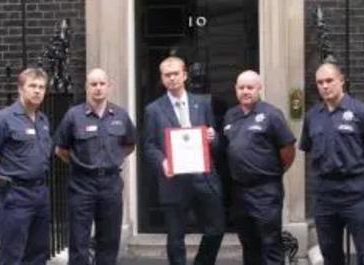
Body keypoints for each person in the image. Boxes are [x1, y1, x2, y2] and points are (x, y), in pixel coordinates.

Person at [143, 56, 225, 265]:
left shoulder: (204, 103)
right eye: (167, 75)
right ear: (162, 79)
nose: (172, 78)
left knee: (216, 229)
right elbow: (149, 146)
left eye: (176, 73)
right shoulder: (153, 110)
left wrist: (213, 137)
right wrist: (163, 162)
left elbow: (214, 142)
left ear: (185, 75)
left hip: (204, 177)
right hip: (174, 180)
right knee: (175, 238)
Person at [54, 68, 137, 265]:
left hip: (111, 183)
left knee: (109, 240)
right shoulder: (73, 116)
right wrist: (81, 163)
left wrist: (112, 158)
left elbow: (130, 144)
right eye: (93, 84)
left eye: (102, 84)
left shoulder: (121, 115)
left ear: (109, 86)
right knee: (79, 241)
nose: (98, 88)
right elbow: (61, 149)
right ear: (86, 88)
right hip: (81, 184)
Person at [300, 63, 364, 265]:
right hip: (325, 196)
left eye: (329, 81)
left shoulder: (362, 112)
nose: (325, 86)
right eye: (320, 82)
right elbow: (310, 151)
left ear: (341, 81)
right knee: (331, 254)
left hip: (356, 194)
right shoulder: (312, 117)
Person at [222, 70, 296, 265]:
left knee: (270, 242)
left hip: (265, 190)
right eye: (241, 87)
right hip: (239, 191)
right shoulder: (230, 115)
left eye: (250, 87)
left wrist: (274, 172)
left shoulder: (272, 115)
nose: (245, 91)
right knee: (248, 243)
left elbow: (288, 150)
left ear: (259, 89)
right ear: (236, 89)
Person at [0, 68, 51, 265]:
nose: (37, 91)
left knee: (38, 253)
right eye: (32, 86)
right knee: (12, 254)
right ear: (21, 89)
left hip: (40, 193)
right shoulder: (3, 119)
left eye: (41, 87)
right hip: (15, 195)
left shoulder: (43, 121)